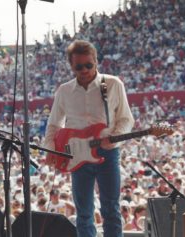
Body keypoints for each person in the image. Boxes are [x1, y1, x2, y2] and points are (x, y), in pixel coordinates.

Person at [43, 39, 134, 237]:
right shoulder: (64, 91)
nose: (84, 70)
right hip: (76, 155)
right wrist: (50, 149)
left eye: (88, 65)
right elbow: (54, 124)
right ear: (71, 66)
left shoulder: (112, 84)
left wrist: (115, 137)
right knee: (83, 212)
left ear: (96, 62)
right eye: (79, 66)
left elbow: (126, 119)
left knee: (111, 209)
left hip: (107, 152)